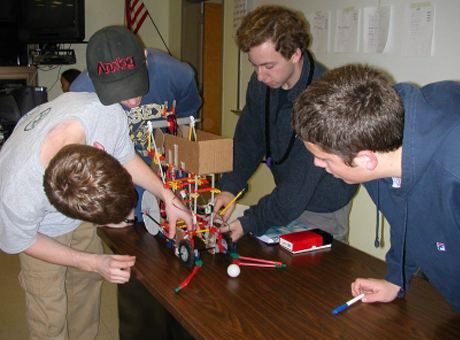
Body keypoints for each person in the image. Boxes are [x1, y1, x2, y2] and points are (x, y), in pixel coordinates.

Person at [0, 70, 192, 338]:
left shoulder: (105, 113)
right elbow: (23, 240)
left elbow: (125, 157)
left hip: (65, 203)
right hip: (39, 233)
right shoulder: (16, 192)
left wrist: (166, 194)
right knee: (50, 315)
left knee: (85, 292)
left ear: (100, 149)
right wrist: (92, 262)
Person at [292, 64, 460, 313]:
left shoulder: (452, 169)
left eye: (325, 159)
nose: (318, 165)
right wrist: (396, 278)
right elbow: (407, 216)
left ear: (366, 160)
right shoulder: (380, 143)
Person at [214, 5, 358, 243]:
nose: (260, 76)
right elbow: (248, 141)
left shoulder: (324, 99)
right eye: (255, 65)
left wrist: (251, 221)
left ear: (295, 54)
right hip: (283, 200)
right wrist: (230, 188)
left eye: (269, 66)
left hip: (321, 209)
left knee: (311, 279)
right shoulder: (262, 84)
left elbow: (299, 186)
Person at [70, 25, 202, 220]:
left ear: (145, 58)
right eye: (120, 95)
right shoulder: (81, 94)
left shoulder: (178, 75)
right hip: (118, 172)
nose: (132, 103)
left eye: (136, 87)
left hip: (167, 167)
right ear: (93, 78)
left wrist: (181, 174)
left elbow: (186, 122)